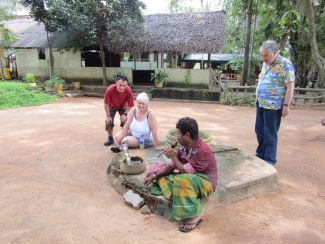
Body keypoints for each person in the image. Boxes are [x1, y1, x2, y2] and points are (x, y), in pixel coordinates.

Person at [144, 117, 217, 233]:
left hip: (205, 181)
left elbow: (185, 172)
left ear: (187, 135)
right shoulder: (183, 146)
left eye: (178, 133)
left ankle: (194, 216)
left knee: (181, 180)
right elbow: (171, 166)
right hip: (189, 177)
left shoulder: (202, 150)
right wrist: (154, 176)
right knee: (162, 176)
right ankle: (179, 195)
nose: (177, 137)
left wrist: (173, 156)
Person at [255, 40, 295, 165]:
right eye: (262, 55)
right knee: (259, 131)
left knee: (270, 133)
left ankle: (269, 160)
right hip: (261, 103)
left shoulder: (285, 64)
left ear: (275, 52)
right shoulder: (265, 63)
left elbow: (290, 86)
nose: (263, 58)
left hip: (273, 106)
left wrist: (286, 106)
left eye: (266, 55)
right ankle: (260, 155)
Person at [103, 75, 134, 146]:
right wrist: (108, 116)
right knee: (108, 121)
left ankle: (123, 137)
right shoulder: (110, 89)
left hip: (123, 105)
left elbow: (131, 105)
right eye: (120, 85)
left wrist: (125, 114)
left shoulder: (128, 90)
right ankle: (110, 138)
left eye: (124, 85)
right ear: (116, 83)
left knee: (125, 120)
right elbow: (106, 104)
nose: (122, 87)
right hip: (112, 105)